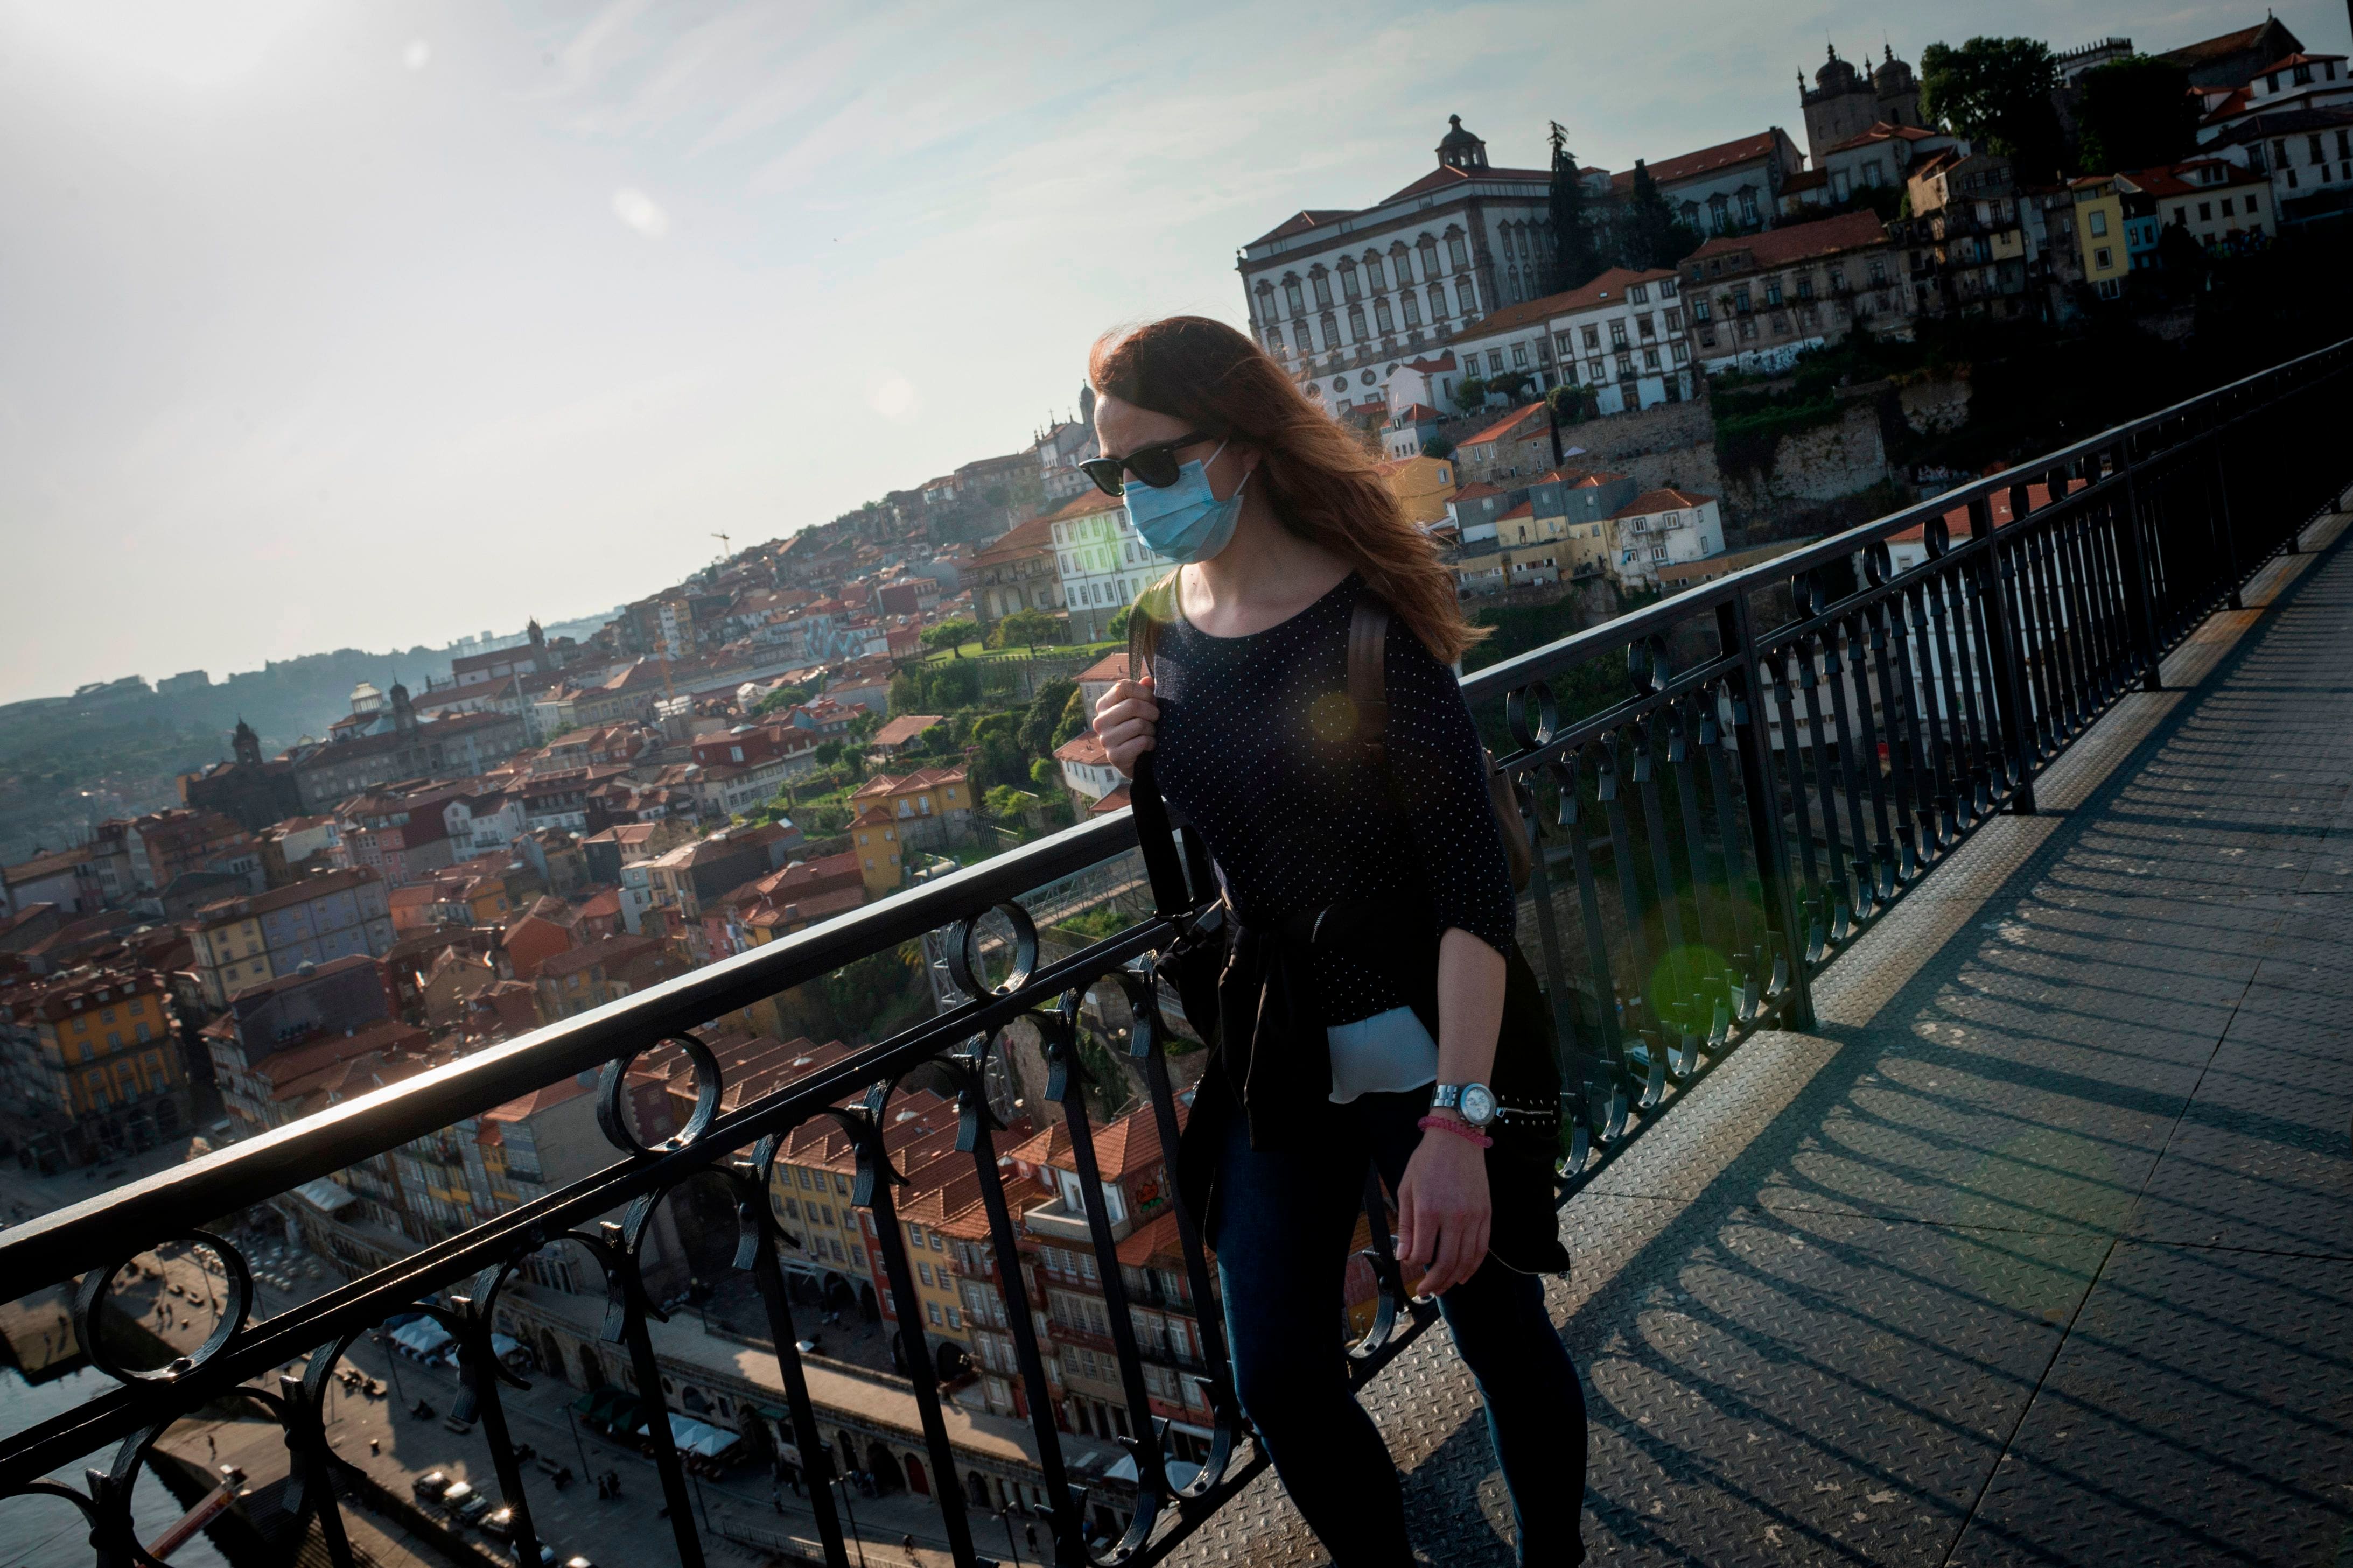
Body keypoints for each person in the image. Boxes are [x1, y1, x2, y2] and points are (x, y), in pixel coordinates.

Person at [1088, 317, 1588, 1566]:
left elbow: (1471, 889)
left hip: (1431, 1036)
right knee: (1279, 1376)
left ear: (1244, 445)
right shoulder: (1155, 629)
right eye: (1110, 471)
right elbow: (1236, 827)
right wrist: (1124, 759)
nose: (1132, 494)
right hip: (1280, 1043)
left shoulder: (1369, 625)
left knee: (1498, 1329)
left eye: (1153, 463)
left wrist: (1457, 1126)